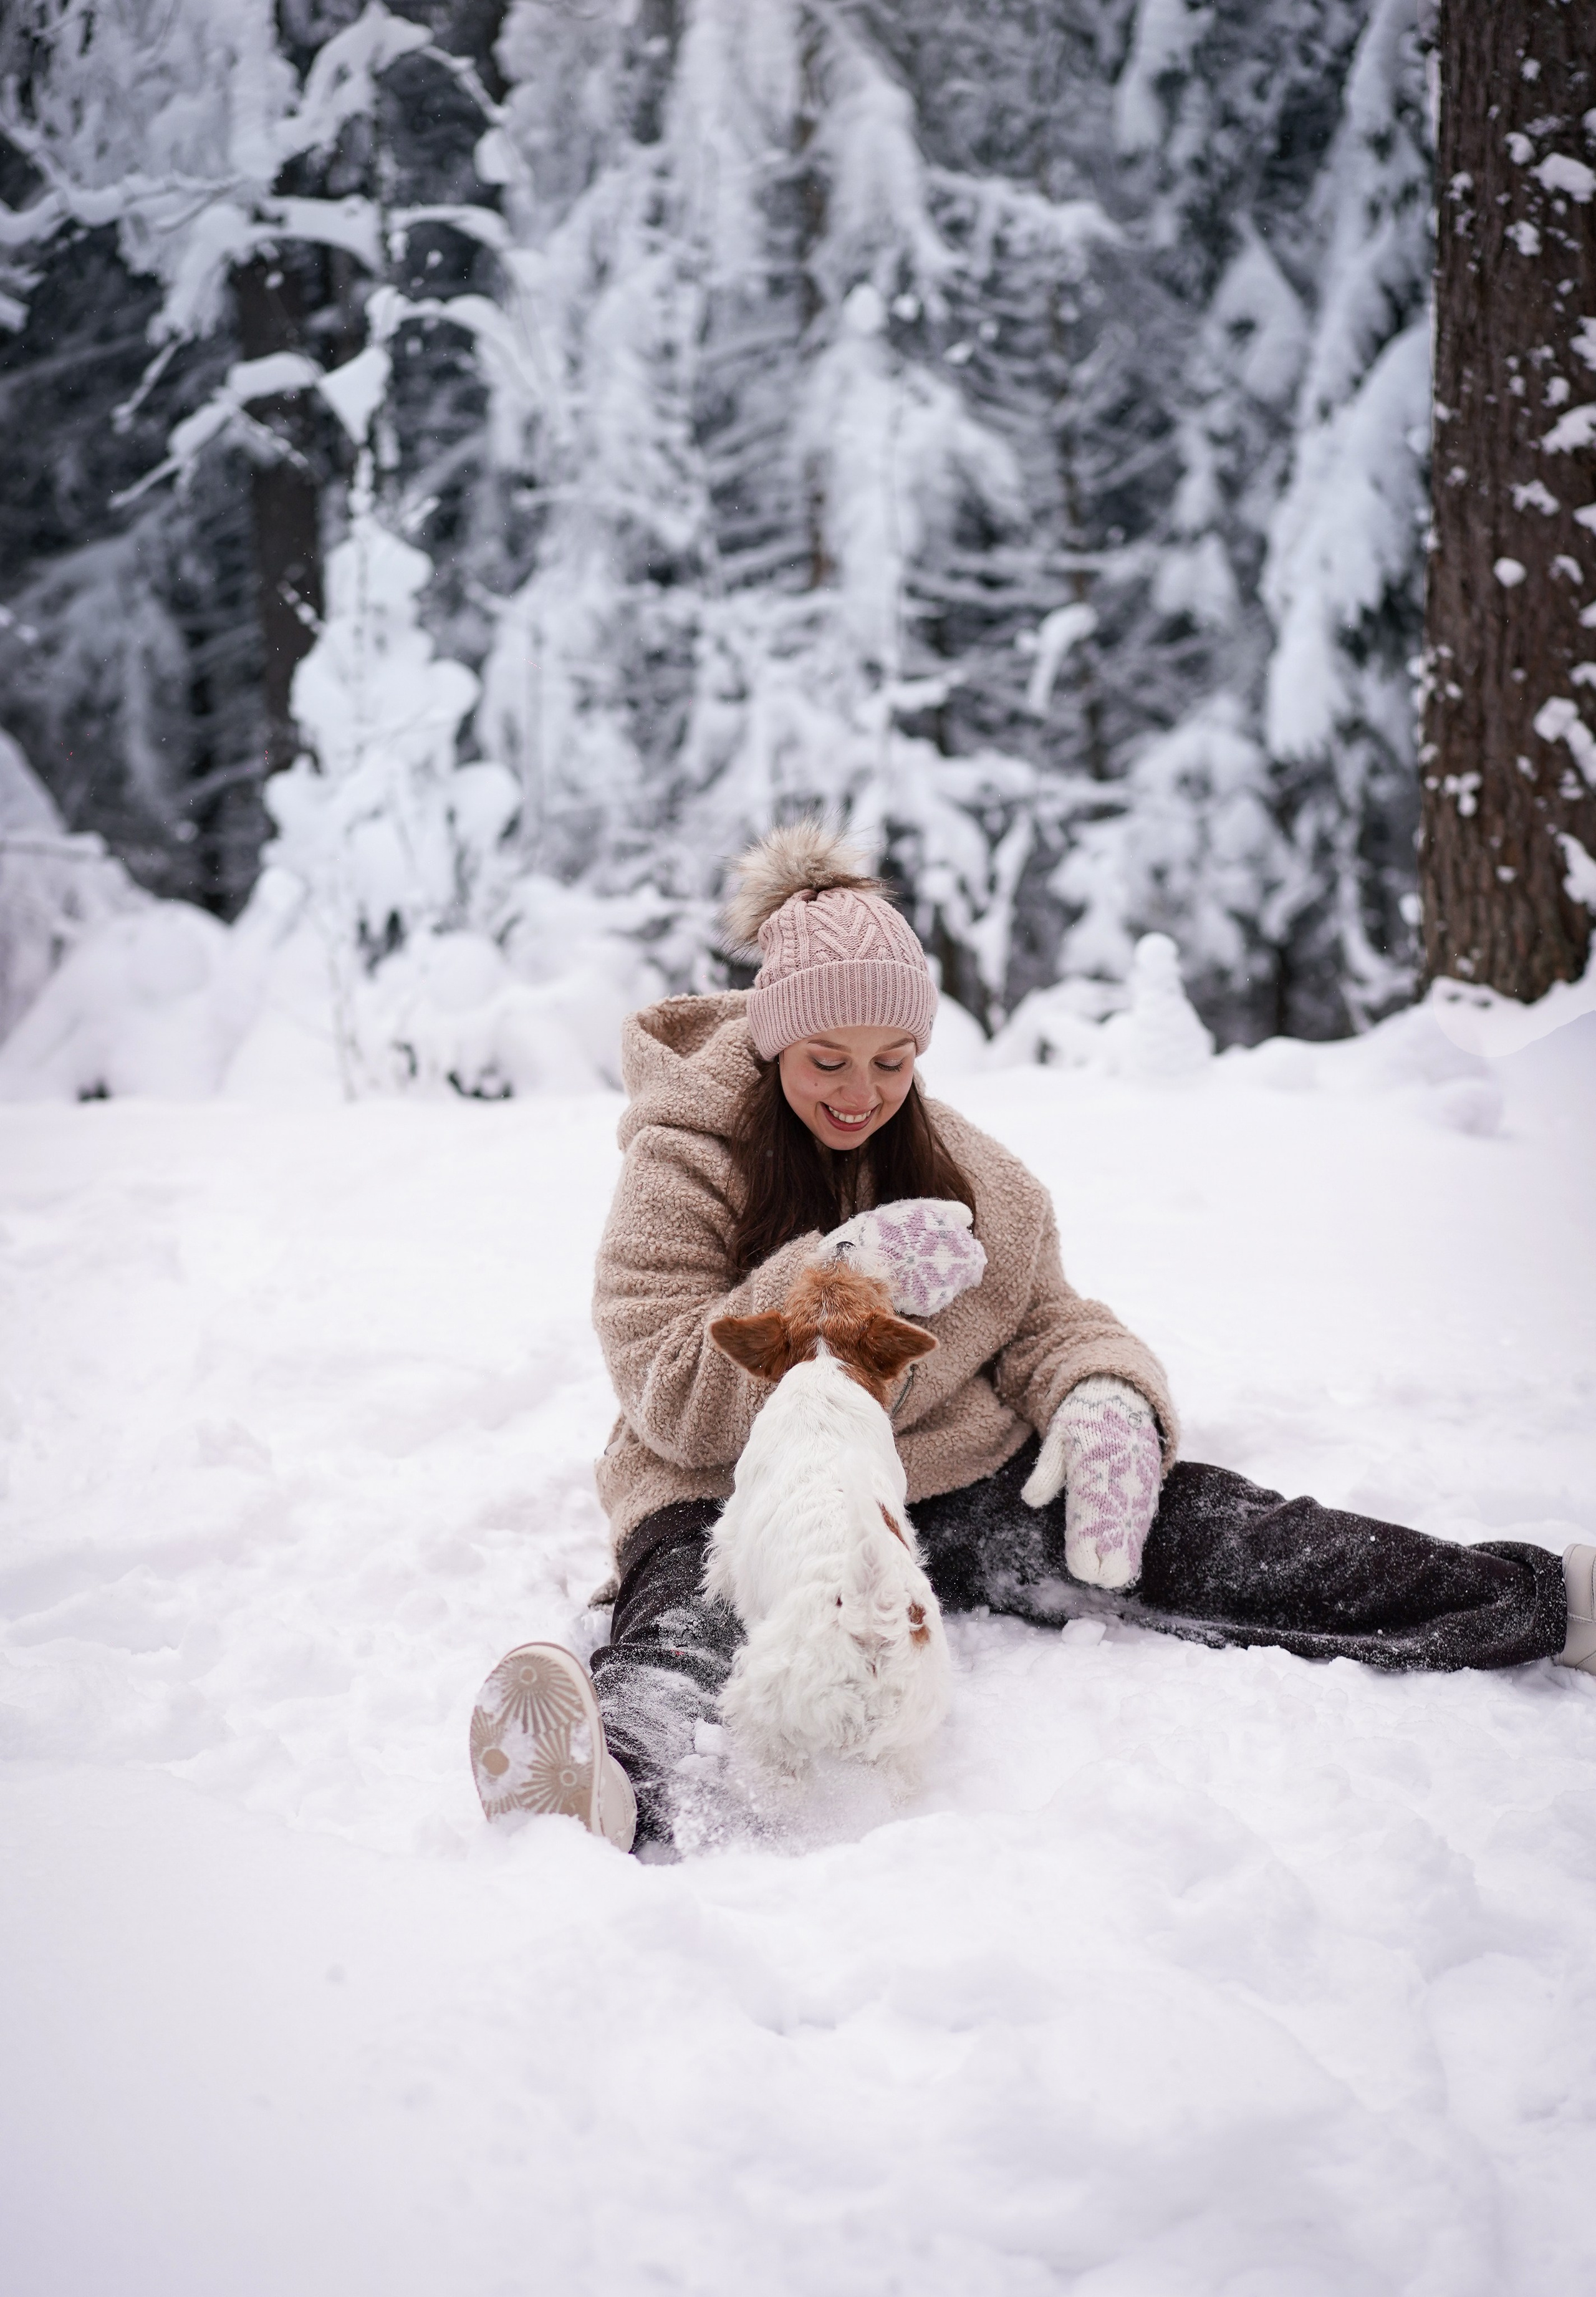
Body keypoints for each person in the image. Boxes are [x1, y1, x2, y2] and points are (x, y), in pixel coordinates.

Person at [469, 822, 1592, 1853]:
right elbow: (669, 1390)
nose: (863, 1092)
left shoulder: (975, 1176)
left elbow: (1051, 1318)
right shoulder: (682, 1161)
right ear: (772, 1044)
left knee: (1227, 1533)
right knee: (693, 1628)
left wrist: (1103, 1399)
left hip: (947, 1482)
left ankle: (1547, 1600)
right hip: (730, 1492)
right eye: (828, 1060)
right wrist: (829, 1282)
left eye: (893, 1058)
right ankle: (610, 1783)